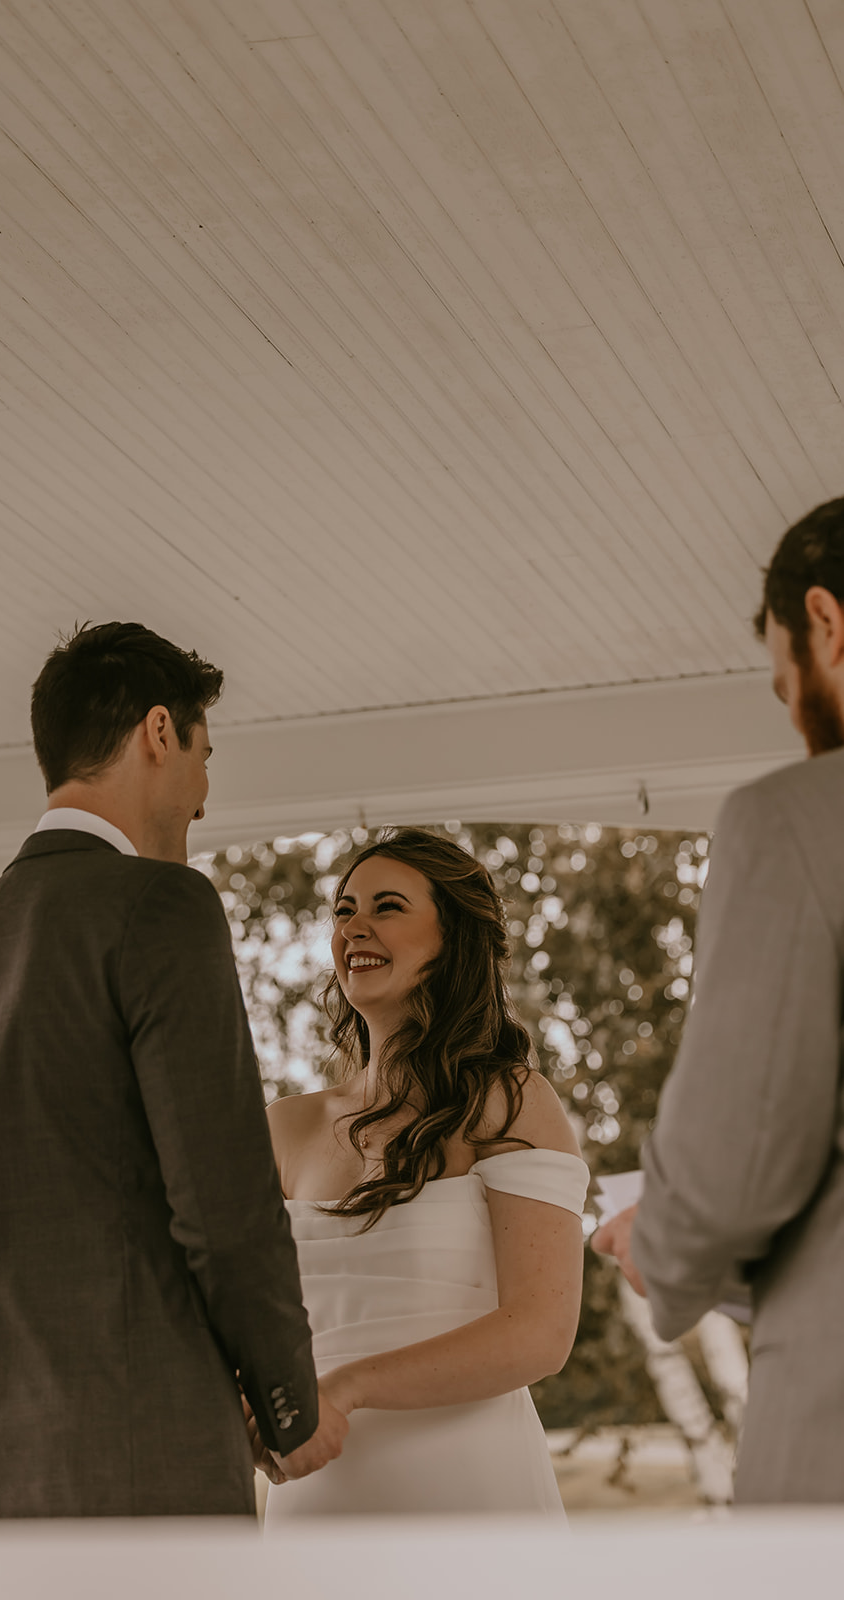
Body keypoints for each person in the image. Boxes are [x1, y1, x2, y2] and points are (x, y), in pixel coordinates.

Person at [0, 621, 346, 1523]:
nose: (202, 796)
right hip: (145, 1455)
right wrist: (287, 1405)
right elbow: (224, 1209)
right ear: (159, 732)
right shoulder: (161, 907)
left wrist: (22, 1353)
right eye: (203, 754)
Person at [594, 498, 844, 1504]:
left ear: (826, 625)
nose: (792, 715)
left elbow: (736, 1165)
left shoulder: (795, 820)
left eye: (788, 685)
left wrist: (656, 1241)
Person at [253, 827, 589, 1518]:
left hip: (470, 1499)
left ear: (450, 940)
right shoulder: (282, 1127)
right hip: (313, 1503)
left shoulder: (509, 1102)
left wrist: (344, 1389)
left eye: (387, 906)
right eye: (343, 910)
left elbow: (540, 1332)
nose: (355, 927)